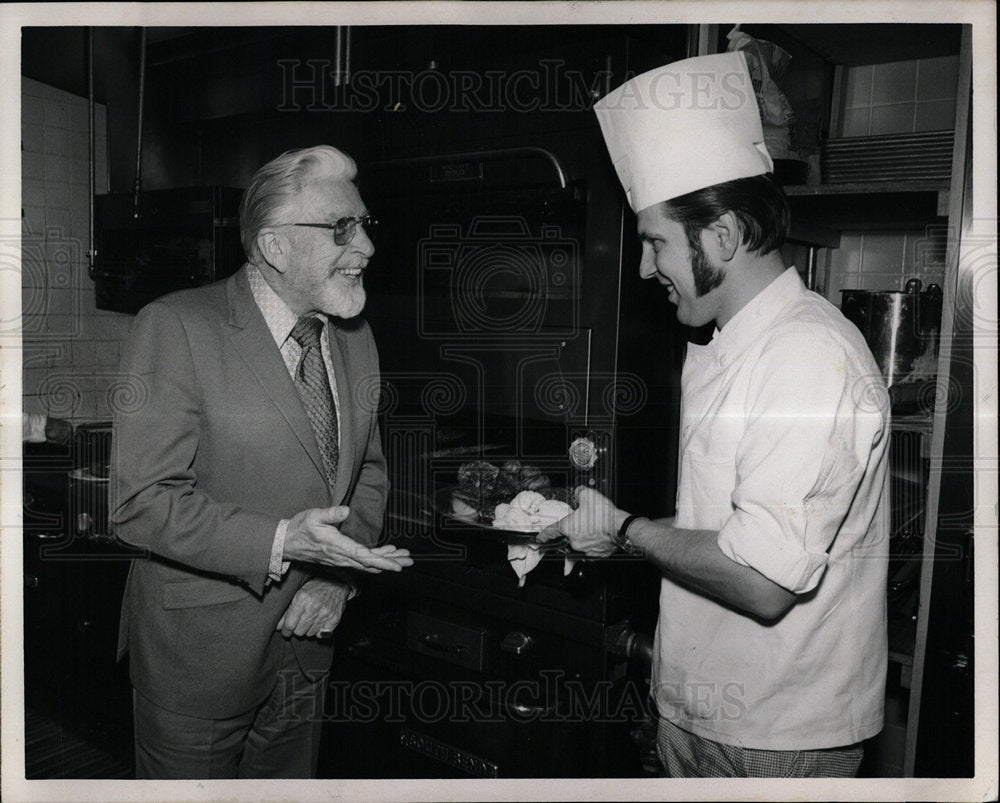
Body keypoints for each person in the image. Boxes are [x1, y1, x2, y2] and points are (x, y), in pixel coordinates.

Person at [538, 52, 891, 778]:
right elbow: (726, 528)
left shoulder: (809, 355)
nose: (645, 268)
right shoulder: (721, 344)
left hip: (775, 736)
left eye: (657, 241)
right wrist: (614, 530)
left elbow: (762, 580)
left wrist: (628, 532)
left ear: (723, 236)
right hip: (699, 713)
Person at [110, 145, 413, 779]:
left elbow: (368, 474)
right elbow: (141, 504)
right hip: (200, 661)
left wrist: (337, 577)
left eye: (365, 225)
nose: (366, 248)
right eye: (341, 228)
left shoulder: (355, 336)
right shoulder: (176, 327)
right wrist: (281, 541)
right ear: (275, 247)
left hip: (308, 645)